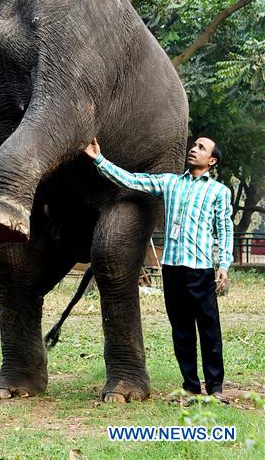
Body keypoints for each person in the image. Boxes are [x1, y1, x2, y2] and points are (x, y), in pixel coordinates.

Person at [84, 136, 233, 400]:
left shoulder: (218, 192)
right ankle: (190, 386)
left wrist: (224, 264)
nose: (193, 149)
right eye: (194, 145)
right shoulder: (170, 183)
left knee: (209, 330)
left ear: (211, 160)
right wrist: (99, 159)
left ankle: (215, 388)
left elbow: (225, 228)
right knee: (181, 330)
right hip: (172, 269)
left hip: (200, 270)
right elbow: (131, 180)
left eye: (201, 148)